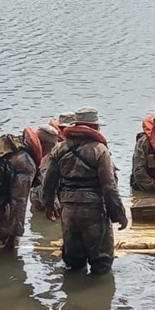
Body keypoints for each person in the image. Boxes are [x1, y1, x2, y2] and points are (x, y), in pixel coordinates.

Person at [41, 107, 128, 273]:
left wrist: (49, 205)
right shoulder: (99, 150)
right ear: (94, 127)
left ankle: (73, 287)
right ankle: (98, 288)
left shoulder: (59, 149)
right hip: (94, 212)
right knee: (101, 263)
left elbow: (49, 182)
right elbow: (109, 187)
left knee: (74, 262)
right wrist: (119, 215)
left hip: (68, 212)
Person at [30, 123, 62, 213]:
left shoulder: (34, 149)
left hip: (35, 190)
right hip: (42, 189)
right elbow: (46, 177)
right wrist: (53, 200)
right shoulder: (52, 150)